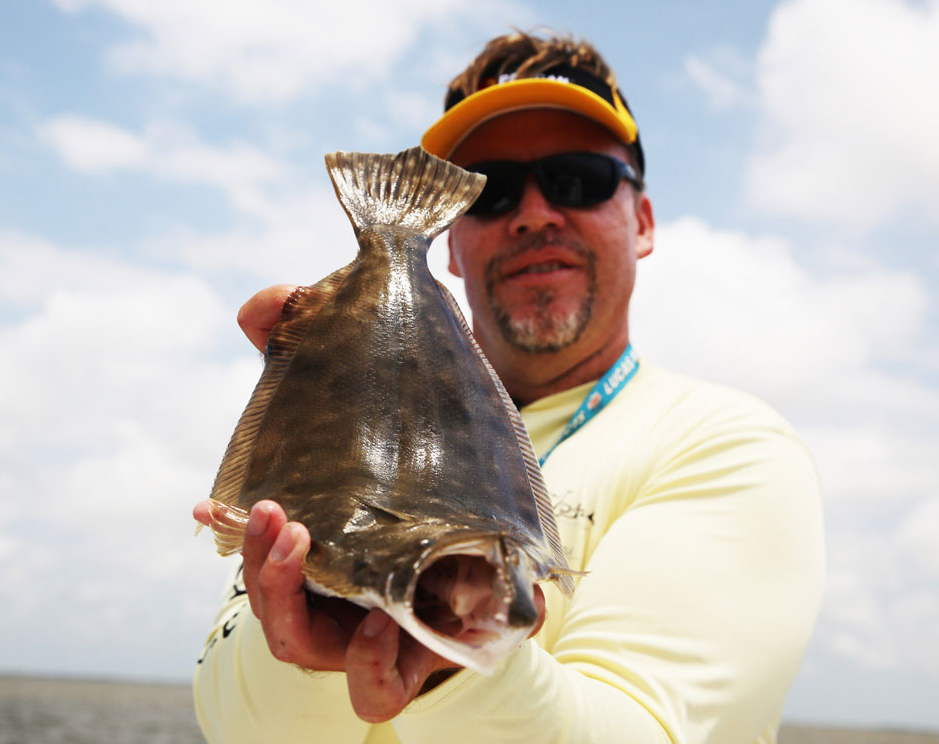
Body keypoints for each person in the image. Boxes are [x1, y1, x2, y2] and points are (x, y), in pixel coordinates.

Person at [192, 31, 824, 744]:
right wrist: (314, 623)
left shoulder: (724, 444)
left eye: (577, 180)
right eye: (490, 191)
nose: (533, 213)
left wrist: (452, 663)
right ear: (453, 240)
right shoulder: (331, 436)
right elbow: (237, 727)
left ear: (642, 222)